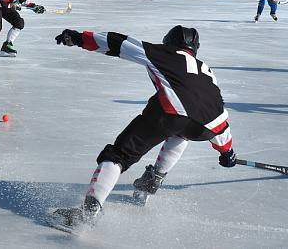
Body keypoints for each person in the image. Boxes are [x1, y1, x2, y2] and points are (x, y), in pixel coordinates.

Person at [50, 26, 236, 229]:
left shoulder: (164, 53)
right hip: (208, 128)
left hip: (171, 113)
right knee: (183, 131)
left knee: (119, 155)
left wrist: (77, 38)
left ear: (169, 42)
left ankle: (89, 212)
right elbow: (212, 109)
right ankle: (154, 179)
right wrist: (226, 152)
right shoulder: (207, 72)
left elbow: (119, 43)